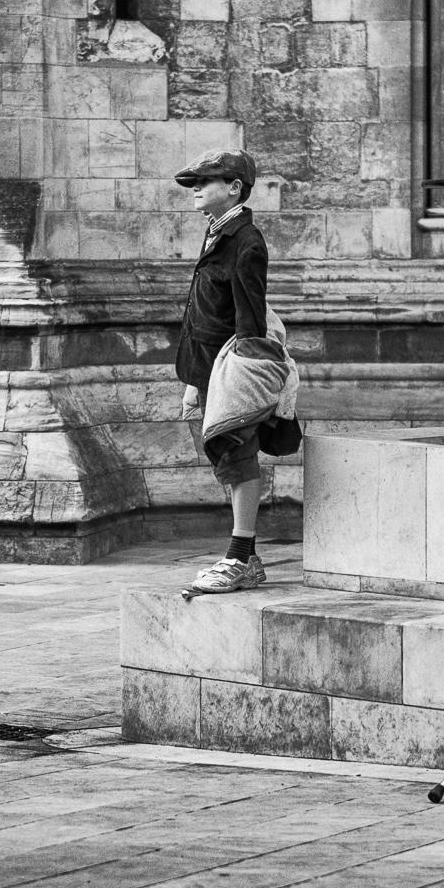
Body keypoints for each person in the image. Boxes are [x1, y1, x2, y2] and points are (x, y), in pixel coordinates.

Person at [173, 148, 272, 594]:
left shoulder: (245, 242)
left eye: (205, 181)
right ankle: (243, 557)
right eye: (194, 181)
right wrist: (195, 382)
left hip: (230, 371)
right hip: (208, 369)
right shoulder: (219, 233)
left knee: (238, 456)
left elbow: (249, 320)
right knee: (227, 460)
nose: (195, 187)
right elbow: (208, 312)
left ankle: (240, 557)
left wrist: (241, 386)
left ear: (234, 188)